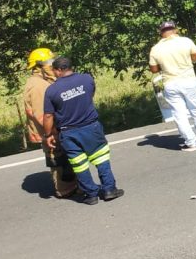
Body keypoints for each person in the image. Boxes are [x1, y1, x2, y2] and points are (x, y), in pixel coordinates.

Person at [42, 56, 124, 205]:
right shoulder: (86, 79)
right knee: (101, 158)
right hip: (91, 127)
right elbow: (91, 94)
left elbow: (48, 116)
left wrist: (48, 135)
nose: (53, 73)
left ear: (59, 70)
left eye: (54, 70)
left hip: (69, 133)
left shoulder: (51, 90)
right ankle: (109, 189)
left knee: (79, 164)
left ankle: (91, 195)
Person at [23, 47, 79, 199]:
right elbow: (42, 116)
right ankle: (65, 189)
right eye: (49, 63)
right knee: (58, 159)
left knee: (65, 158)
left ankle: (71, 184)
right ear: (39, 66)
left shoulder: (42, 81)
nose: (52, 66)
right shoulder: (37, 86)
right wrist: (53, 133)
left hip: (55, 129)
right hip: (50, 131)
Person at [149, 21, 196, 151]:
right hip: (189, 80)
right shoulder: (186, 41)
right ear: (175, 30)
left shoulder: (155, 49)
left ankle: (190, 142)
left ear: (161, 33)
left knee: (179, 114)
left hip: (170, 83)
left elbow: (154, 69)